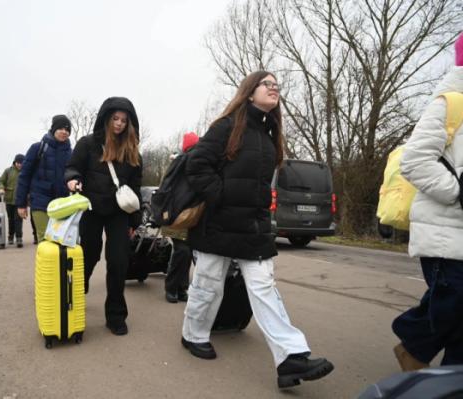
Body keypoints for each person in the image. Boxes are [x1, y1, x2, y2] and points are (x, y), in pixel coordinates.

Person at [179, 71, 334, 389]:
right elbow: (196, 166)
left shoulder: (269, 133)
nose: (275, 89)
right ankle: (193, 335)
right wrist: (220, 195)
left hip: (254, 227)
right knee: (209, 285)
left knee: (264, 289)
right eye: (268, 84)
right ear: (250, 92)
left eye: (278, 86)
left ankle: (291, 358)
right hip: (219, 223)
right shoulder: (226, 126)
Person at [391, 33, 463, 370]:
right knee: (452, 304)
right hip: (445, 235)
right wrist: (458, 190)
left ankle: (448, 383)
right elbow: (415, 162)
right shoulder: (450, 105)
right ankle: (413, 346)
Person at [65, 97, 142, 336]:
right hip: (91, 208)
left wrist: (134, 221)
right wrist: (72, 178)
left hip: (119, 212)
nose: (118, 124)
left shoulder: (132, 151)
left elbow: (136, 188)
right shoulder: (87, 144)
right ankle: (80, 287)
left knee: (119, 262)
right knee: (89, 253)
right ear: (106, 119)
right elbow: (72, 167)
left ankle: (116, 315)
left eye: (123, 120)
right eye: (115, 119)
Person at [15, 115, 73, 242]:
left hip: (62, 204)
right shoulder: (37, 148)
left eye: (67, 129)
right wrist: (21, 204)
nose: (64, 132)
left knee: (62, 242)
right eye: (61, 128)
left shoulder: (71, 152)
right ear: (53, 129)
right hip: (40, 203)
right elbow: (24, 176)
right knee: (46, 241)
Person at [163, 132, 199, 303]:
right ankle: (171, 287)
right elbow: (166, 189)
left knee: (186, 252)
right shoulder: (179, 164)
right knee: (182, 251)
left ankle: (181, 288)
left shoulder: (195, 164)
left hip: (190, 216)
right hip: (175, 216)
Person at [0, 154, 25, 247]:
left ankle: (19, 238)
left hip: (20, 200)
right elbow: (1, 181)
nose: (20, 165)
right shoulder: (8, 171)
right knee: (11, 219)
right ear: (15, 162)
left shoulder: (25, 172)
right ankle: (10, 237)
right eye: (18, 163)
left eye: (21, 163)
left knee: (18, 219)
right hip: (9, 199)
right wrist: (1, 188)